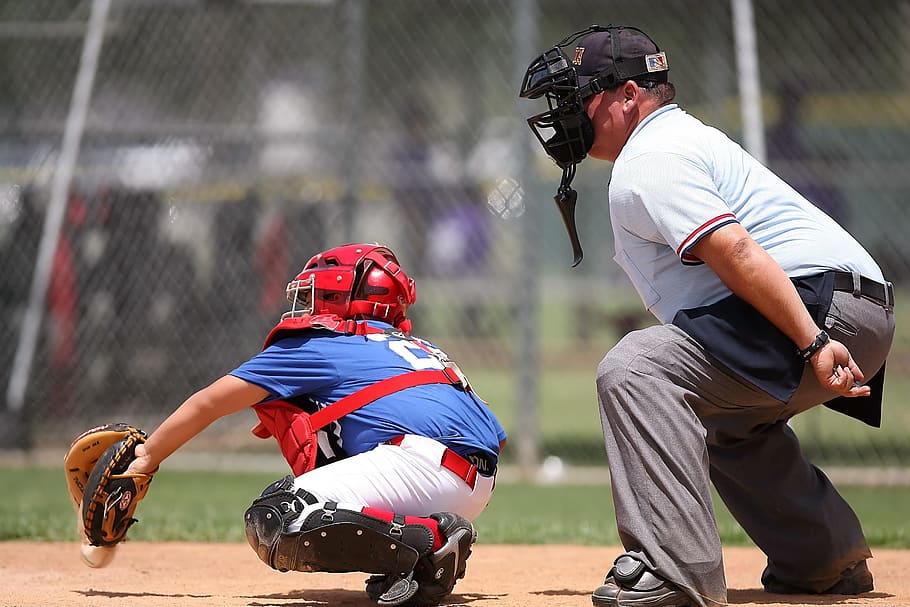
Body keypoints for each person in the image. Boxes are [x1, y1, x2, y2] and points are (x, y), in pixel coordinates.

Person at [519, 25, 894, 607]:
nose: (567, 111)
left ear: (628, 95)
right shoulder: (673, 142)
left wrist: (813, 342)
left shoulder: (651, 155)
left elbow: (736, 250)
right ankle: (822, 558)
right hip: (851, 308)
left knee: (637, 370)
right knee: (726, 419)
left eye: (580, 95)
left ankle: (674, 570)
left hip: (818, 312)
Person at [124, 242, 507, 607]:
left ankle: (432, 541)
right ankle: (424, 550)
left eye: (319, 295)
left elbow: (209, 403)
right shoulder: (423, 350)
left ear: (345, 300)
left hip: (419, 467)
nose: (307, 306)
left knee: (278, 515)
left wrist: (146, 457)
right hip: (477, 484)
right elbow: (495, 437)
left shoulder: (320, 343)